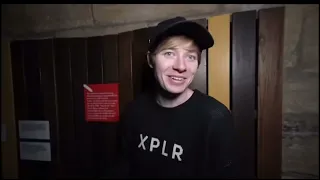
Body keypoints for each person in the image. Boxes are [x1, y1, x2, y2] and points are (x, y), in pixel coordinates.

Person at [109, 16, 236, 178]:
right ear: (150, 60)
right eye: (169, 53)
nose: (181, 66)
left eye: (190, 56)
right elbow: (121, 167)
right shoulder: (134, 111)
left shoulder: (215, 117)